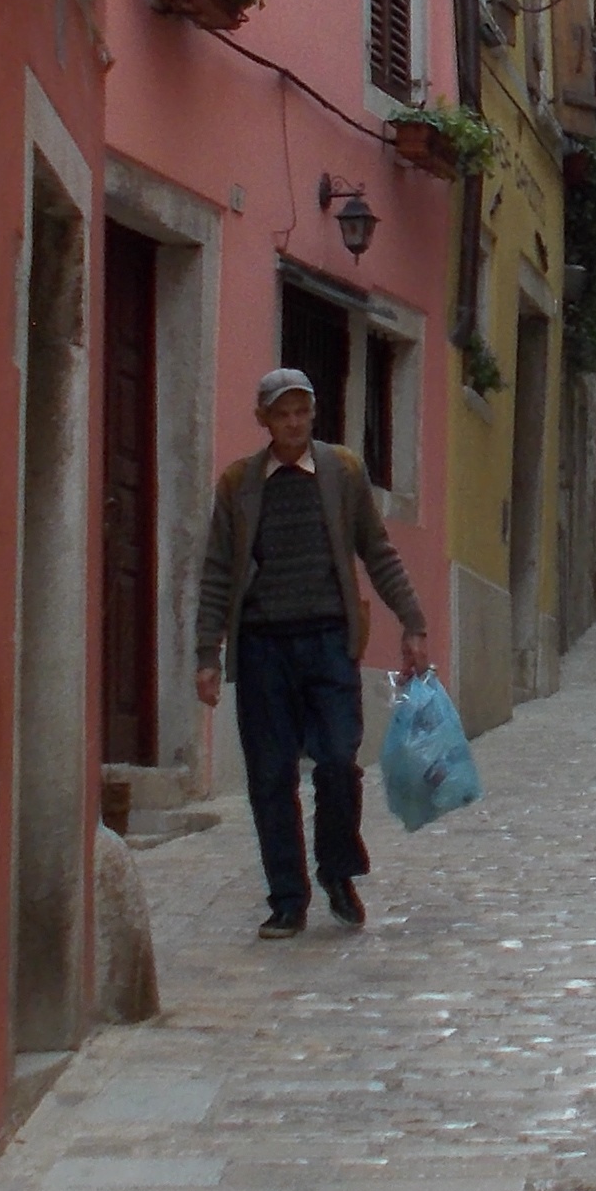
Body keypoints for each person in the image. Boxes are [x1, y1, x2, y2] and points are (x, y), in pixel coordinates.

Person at [195, 366, 430, 936]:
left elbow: (378, 551)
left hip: (329, 641)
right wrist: (208, 652)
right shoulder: (237, 485)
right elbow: (218, 572)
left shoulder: (342, 472)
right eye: (282, 413)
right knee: (270, 776)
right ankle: (286, 899)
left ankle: (337, 871)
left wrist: (413, 622)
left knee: (337, 763)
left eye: (302, 410)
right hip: (262, 647)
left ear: (313, 413)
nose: (294, 422)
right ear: (264, 420)